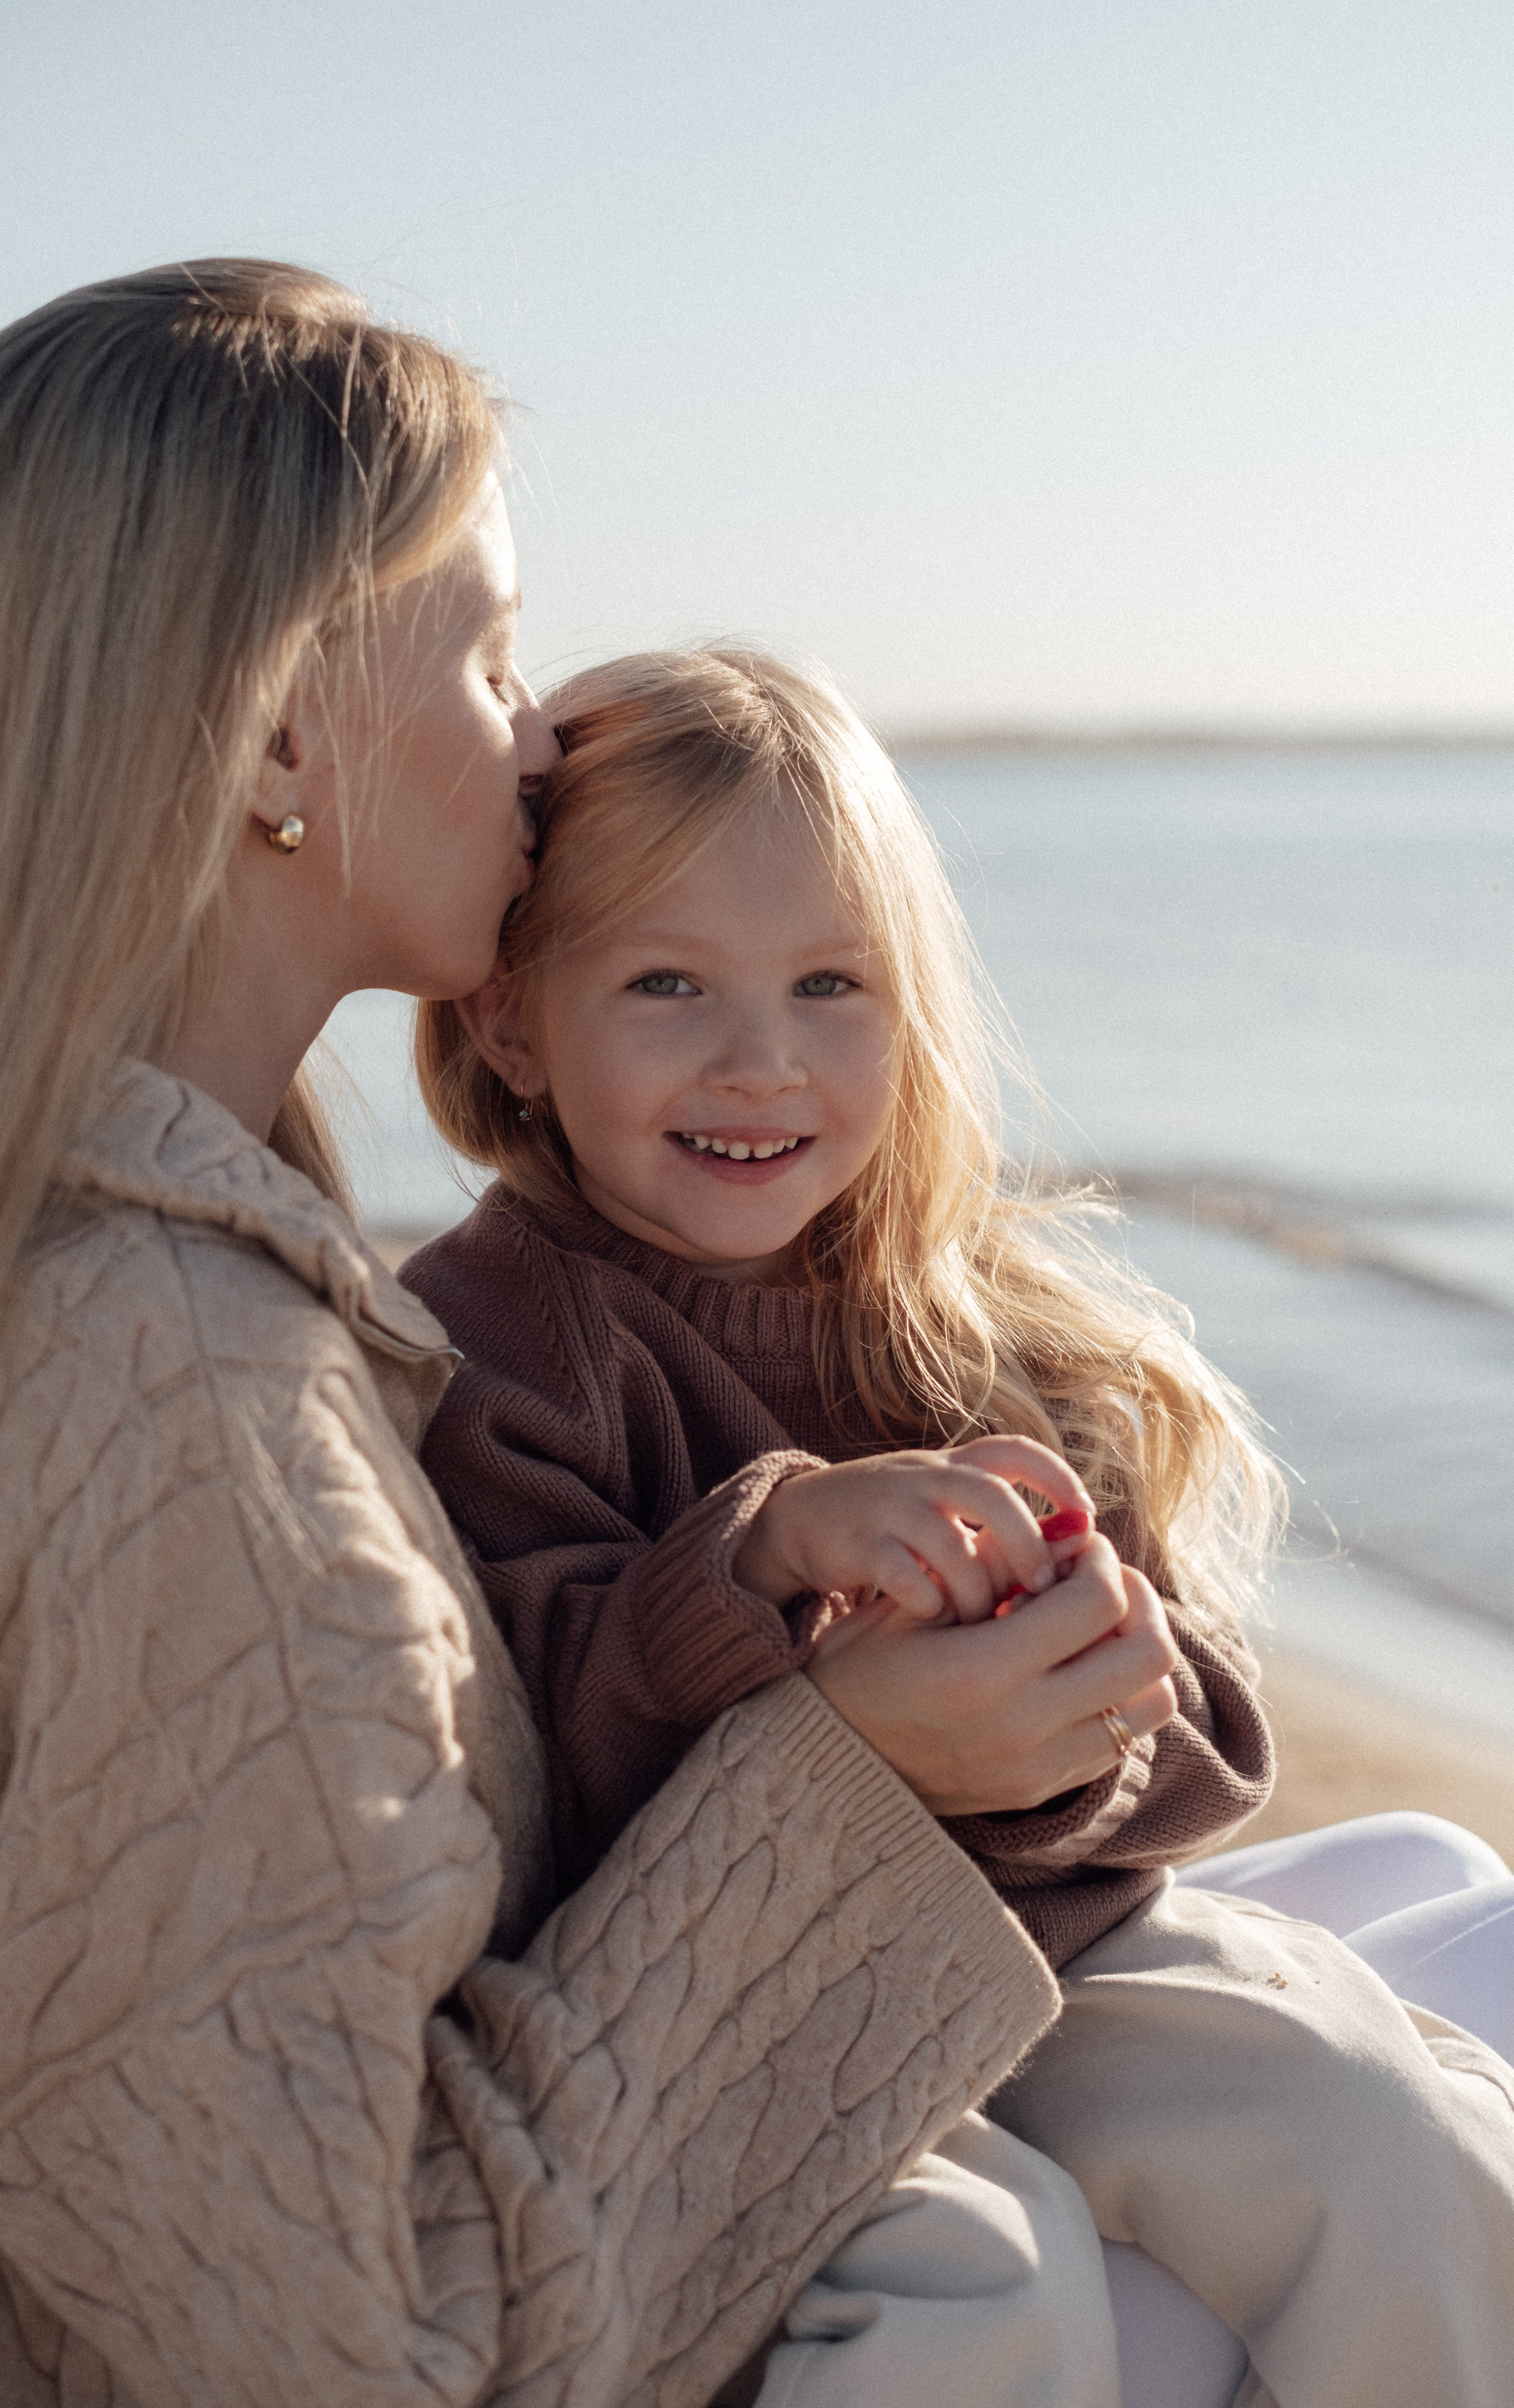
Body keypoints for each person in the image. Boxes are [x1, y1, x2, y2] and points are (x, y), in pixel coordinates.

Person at [0, 260, 1138, 2408]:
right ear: (275, 735)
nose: (541, 734)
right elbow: (351, 2346)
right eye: (495, 650)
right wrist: (859, 1773)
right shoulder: (182, 1389)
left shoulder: (184, 1259)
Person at [406, 645, 1514, 2407]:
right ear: (509, 1012)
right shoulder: (498, 1345)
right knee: (975, 2294)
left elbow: (1214, 1755)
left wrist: (1067, 1720)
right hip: (752, 2019)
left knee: (1403, 2136)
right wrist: (760, 1560)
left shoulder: (967, 1333)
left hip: (1062, 1955)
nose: (762, 1063)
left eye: (832, 985)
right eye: (667, 983)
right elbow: (520, 1758)